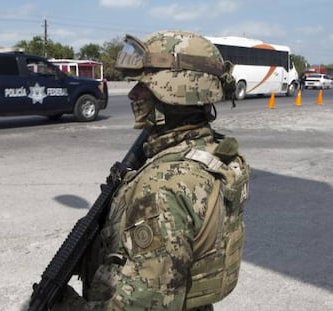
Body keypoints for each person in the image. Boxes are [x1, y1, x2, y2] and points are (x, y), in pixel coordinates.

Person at [52, 30, 250, 310]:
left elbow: (146, 305)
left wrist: (64, 304)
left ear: (176, 92)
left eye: (144, 85)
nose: (133, 93)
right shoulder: (214, 153)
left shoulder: (162, 185)